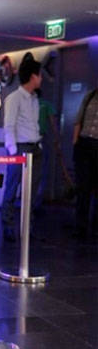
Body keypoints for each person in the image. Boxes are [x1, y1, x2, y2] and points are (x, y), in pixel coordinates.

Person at [1, 53, 43, 242]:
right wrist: (13, 151)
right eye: (39, 75)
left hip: (35, 147)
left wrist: (39, 144)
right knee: (12, 188)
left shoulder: (34, 98)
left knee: (31, 191)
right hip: (19, 148)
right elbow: (9, 125)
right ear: (33, 76)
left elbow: (34, 124)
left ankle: (28, 228)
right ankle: (8, 226)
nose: (41, 79)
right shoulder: (14, 97)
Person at [72, 87, 98, 239]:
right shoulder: (90, 96)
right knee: (83, 187)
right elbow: (78, 120)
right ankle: (80, 227)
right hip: (84, 143)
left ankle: (95, 228)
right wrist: (75, 143)